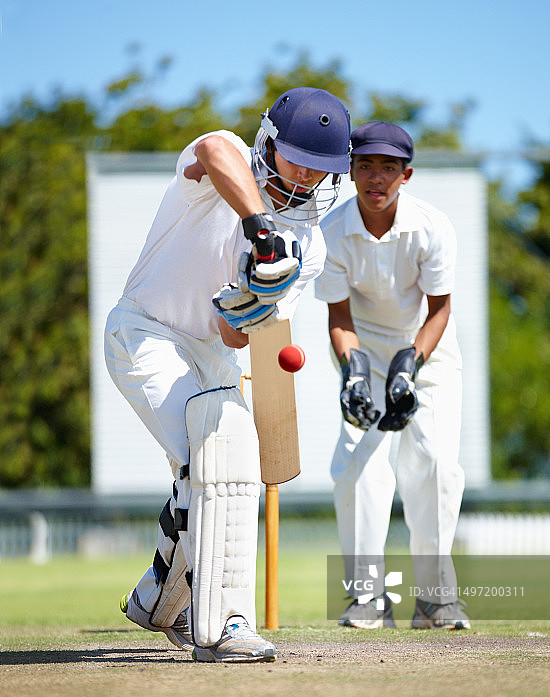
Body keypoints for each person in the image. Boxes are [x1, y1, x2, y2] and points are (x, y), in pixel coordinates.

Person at [104, 87, 351, 662]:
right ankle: (223, 626)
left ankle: (159, 597)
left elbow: (236, 336)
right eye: (298, 159)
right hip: (145, 331)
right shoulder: (226, 161)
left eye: (320, 167)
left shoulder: (308, 246)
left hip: (214, 351)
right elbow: (213, 150)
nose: (307, 176)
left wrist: (248, 299)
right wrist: (259, 229)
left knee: (219, 468)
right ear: (269, 142)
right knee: (213, 460)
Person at [315, 121, 470, 631]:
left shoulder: (432, 227)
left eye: (387, 168)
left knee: (436, 464)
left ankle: (435, 600)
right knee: (358, 466)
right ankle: (369, 597)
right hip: (363, 351)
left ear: (406, 175)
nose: (375, 178)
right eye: (365, 166)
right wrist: (353, 373)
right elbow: (339, 318)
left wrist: (410, 365)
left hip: (428, 352)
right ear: (350, 172)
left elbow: (440, 310)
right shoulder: (331, 232)